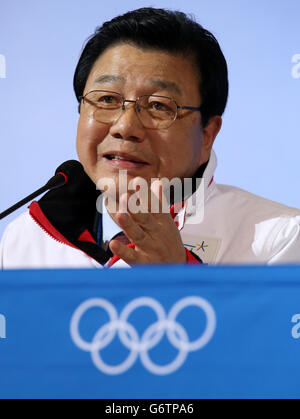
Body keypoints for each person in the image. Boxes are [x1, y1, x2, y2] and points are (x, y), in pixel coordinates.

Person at [1, 7, 300, 269]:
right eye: (106, 99)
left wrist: (180, 278)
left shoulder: (279, 239)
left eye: (159, 106)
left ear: (207, 134)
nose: (125, 126)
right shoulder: (25, 239)